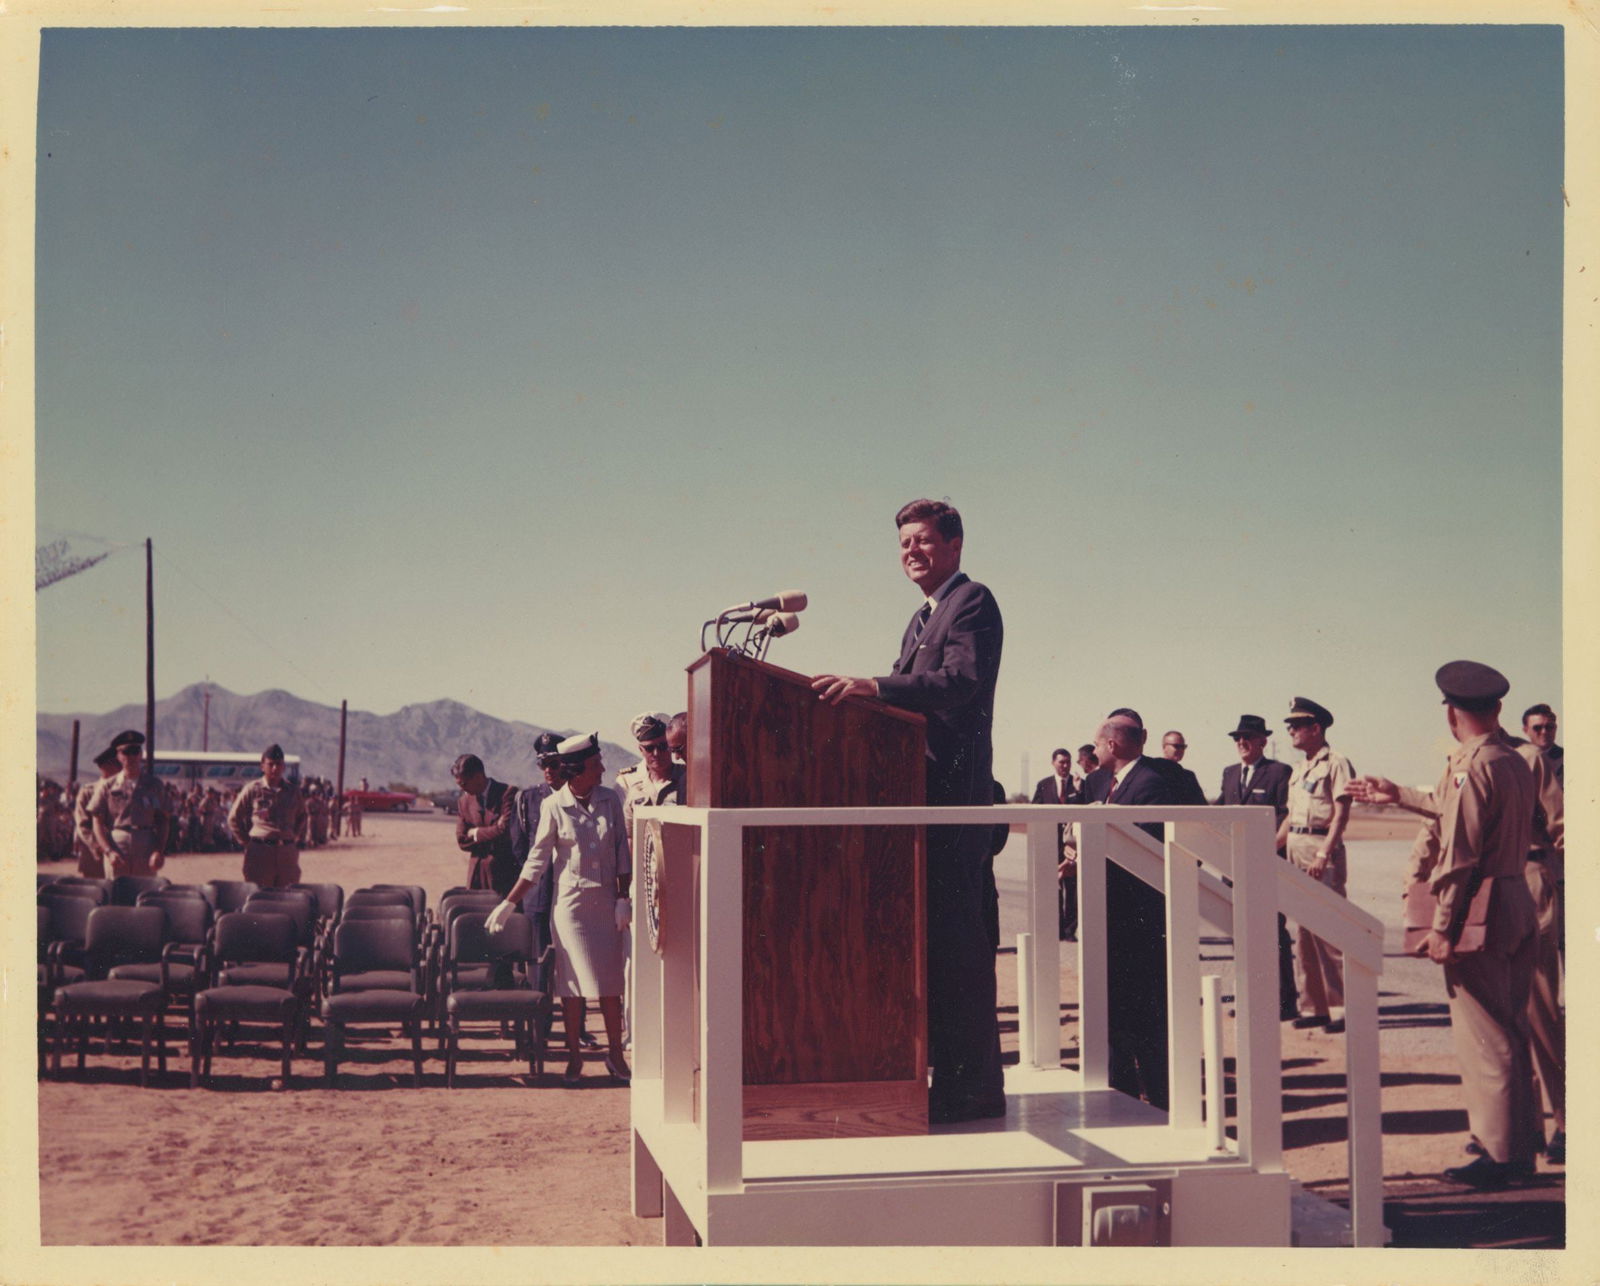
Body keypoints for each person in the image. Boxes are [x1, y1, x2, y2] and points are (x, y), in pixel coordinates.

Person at [811, 497, 1005, 1125]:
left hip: (952, 806)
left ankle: (972, 1094)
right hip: (919, 805)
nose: (911, 552)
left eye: (922, 541)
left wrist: (874, 686)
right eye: (903, 544)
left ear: (954, 546)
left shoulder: (971, 602)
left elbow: (959, 682)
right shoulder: (921, 618)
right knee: (934, 954)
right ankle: (944, 1088)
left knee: (959, 955)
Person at [1348, 661, 1540, 1189]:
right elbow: (1458, 812)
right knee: (1511, 1028)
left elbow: (1460, 853)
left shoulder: (1472, 765)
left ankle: (1502, 1156)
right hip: (1516, 898)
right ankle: (1520, 1142)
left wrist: (1444, 927)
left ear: (1452, 712)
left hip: (1481, 909)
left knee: (1486, 1037)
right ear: (1497, 708)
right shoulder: (1514, 759)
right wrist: (1400, 794)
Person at [488, 733, 631, 1085]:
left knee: (611, 985)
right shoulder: (553, 806)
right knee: (572, 987)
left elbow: (622, 853)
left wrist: (623, 897)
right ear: (578, 770)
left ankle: (615, 1055)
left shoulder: (611, 799)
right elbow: (536, 862)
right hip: (571, 909)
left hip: (606, 904)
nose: (602, 770)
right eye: (597, 765)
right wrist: (510, 902)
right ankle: (574, 1058)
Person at [1078, 709, 1189, 1111]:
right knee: (1115, 1018)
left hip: (1138, 922)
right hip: (1111, 916)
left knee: (1145, 1020)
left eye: (1096, 743)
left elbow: (1147, 849)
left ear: (1112, 744)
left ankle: (1159, 1103)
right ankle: (1121, 1097)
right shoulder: (1106, 782)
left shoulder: (1150, 784)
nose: (1092, 750)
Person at [1508, 707, 1566, 1165]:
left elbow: (1562, 822)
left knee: (1542, 1008)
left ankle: (1568, 1121)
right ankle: (1524, 1128)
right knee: (1508, 1015)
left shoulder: (1528, 759)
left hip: (1532, 877)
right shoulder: (1484, 758)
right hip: (1498, 885)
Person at [1277, 697, 1354, 1033]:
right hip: (1296, 845)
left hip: (1320, 847)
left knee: (1329, 930)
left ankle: (1340, 1007)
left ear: (1316, 728)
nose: (1291, 731)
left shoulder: (1336, 762)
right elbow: (1291, 818)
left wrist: (1325, 853)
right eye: (1289, 726)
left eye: (1296, 725)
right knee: (1304, 932)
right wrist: (1269, 848)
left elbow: (1341, 813)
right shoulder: (1300, 768)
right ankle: (1314, 1006)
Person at [1218, 714, 1298, 1021]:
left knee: (1273, 933)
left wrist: (1267, 850)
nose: (1241, 743)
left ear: (1263, 741)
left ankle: (1283, 1001)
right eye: (1237, 738)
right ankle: (1250, 997)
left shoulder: (1279, 772)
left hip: (1265, 866)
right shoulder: (1228, 774)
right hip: (1233, 867)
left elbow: (1286, 816)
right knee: (1241, 934)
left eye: (1247, 738)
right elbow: (1221, 813)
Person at [88, 730, 170, 877]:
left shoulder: (154, 785)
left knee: (145, 892)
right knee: (117, 893)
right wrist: (108, 851)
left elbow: (163, 820)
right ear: (118, 756)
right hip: (117, 845)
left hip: (147, 845)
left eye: (135, 751)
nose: (131, 757)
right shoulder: (108, 786)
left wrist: (159, 850)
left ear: (141, 754)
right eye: (126, 752)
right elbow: (97, 823)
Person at [227, 744, 308, 888]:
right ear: (262, 766)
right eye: (271, 764)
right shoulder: (252, 789)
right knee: (259, 898)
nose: (275, 768)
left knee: (289, 897)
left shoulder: (293, 791)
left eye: (279, 764)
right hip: (260, 852)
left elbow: (302, 816)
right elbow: (233, 818)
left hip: (287, 853)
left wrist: (293, 836)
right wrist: (247, 843)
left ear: (283, 767)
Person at [452, 754, 519, 897]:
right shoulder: (464, 802)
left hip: (503, 875)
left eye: (464, 784)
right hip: (476, 876)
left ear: (478, 776)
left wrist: (475, 833)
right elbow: (462, 840)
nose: (463, 789)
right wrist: (494, 830)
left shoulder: (507, 793)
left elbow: (505, 831)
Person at [1032, 748, 1079, 940]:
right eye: (1061, 762)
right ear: (1053, 763)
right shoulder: (1044, 785)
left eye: (1068, 762)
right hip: (1051, 844)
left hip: (1071, 845)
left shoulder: (1078, 785)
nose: (1065, 766)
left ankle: (1070, 930)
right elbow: (1035, 811)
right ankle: (1057, 928)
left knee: (1073, 887)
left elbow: (1084, 808)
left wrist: (1077, 792)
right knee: (1054, 886)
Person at [73, 746, 120, 878]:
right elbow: (83, 825)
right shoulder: (88, 792)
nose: (120, 767)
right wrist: (100, 847)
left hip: (121, 852)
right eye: (116, 764)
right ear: (103, 767)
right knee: (94, 893)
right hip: (94, 855)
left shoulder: (125, 790)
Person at [1160, 730, 1208, 805]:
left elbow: (1201, 806)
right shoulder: (1155, 773)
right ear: (1164, 747)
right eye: (1176, 746)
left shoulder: (1188, 776)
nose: (1180, 750)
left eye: (1183, 747)